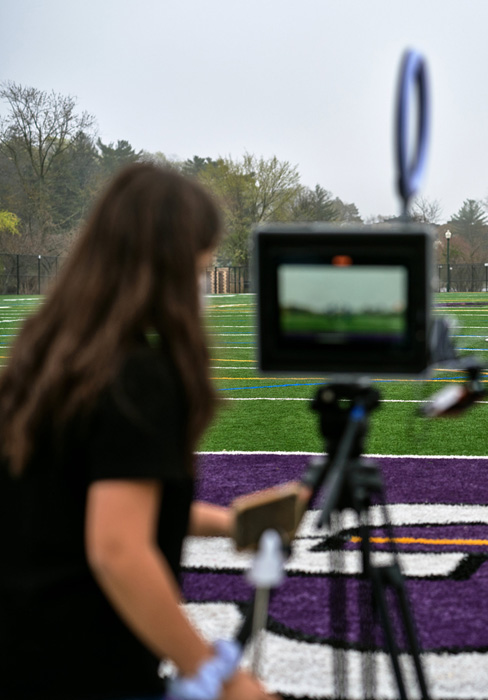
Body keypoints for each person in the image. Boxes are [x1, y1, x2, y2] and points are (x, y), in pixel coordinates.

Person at [0, 164, 275, 700]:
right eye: (201, 268)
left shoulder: (44, 355)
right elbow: (118, 548)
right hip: (86, 663)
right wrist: (219, 676)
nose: (204, 285)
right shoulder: (136, 376)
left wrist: (231, 524)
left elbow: (89, 498)